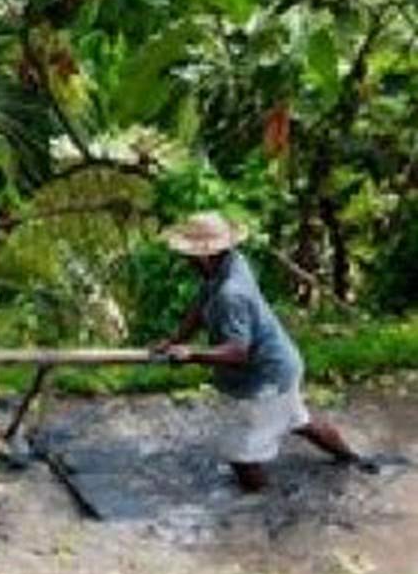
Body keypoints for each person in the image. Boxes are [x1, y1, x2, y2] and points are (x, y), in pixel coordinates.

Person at [155, 211, 372, 492]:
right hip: (280, 363)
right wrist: (175, 339)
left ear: (204, 256)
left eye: (188, 254)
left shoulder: (231, 294)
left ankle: (264, 503)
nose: (184, 260)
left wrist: (191, 354)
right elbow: (201, 303)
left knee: (242, 456)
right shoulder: (230, 263)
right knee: (298, 419)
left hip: (265, 377)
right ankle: (351, 459)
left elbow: (237, 353)